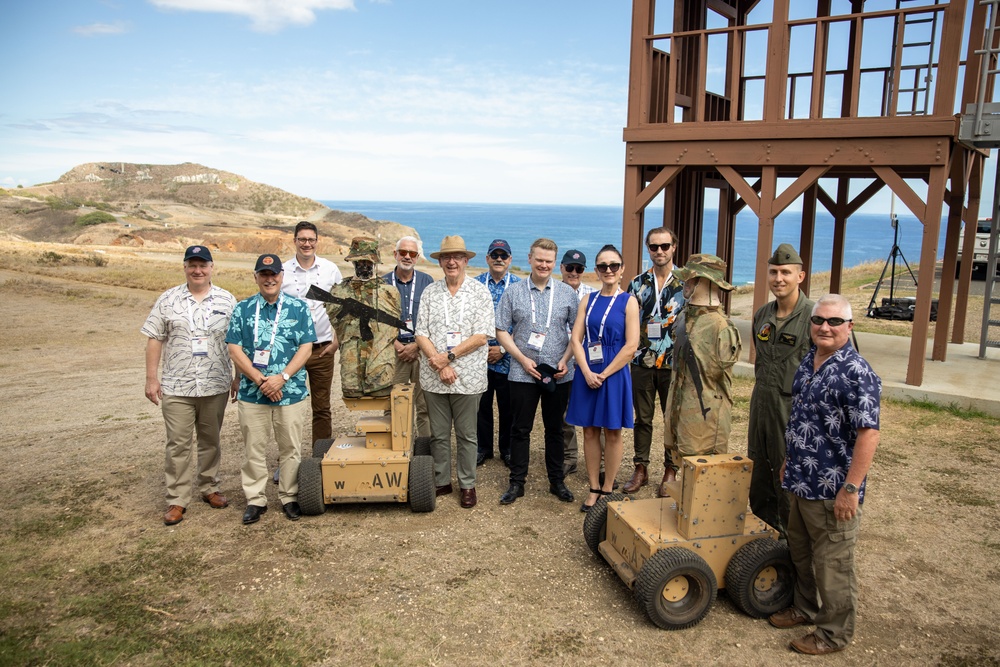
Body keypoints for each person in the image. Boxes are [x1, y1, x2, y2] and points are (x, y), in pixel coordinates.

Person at [768, 294, 881, 656]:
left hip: (833, 488)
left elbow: (868, 433)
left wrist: (851, 488)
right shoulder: (810, 361)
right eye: (818, 320)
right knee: (800, 551)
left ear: (849, 326)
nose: (825, 327)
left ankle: (833, 633)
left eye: (834, 321)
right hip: (801, 480)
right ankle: (805, 608)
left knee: (833, 565)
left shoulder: (856, 372)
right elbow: (802, 417)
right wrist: (790, 459)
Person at [142, 245, 237, 526]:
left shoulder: (227, 300)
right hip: (177, 386)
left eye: (203, 265)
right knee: (178, 445)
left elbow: (238, 343)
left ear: (212, 268)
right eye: (192, 265)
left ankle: (209, 487)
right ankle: (177, 499)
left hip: (215, 384)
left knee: (211, 441)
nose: (198, 270)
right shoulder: (168, 300)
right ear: (184, 267)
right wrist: (151, 378)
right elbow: (154, 338)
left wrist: (238, 378)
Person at [226, 254, 316, 524]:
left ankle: (289, 496)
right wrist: (261, 380)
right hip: (254, 394)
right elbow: (234, 348)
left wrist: (283, 377)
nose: (269, 279)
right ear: (255, 277)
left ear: (282, 276)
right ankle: (255, 499)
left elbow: (306, 347)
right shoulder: (243, 309)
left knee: (290, 447)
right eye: (263, 274)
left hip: (290, 392)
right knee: (254, 448)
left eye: (273, 273)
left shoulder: (299, 308)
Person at [495, 238, 579, 505]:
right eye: (539, 259)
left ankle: (557, 481)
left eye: (549, 261)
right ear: (530, 258)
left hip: (557, 373)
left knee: (555, 429)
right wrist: (520, 358)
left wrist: (566, 359)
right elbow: (500, 329)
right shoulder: (514, 292)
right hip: (523, 372)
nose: (544, 265)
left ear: (555, 263)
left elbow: (578, 332)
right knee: (520, 429)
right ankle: (517, 483)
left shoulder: (567, 293)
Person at [415, 236, 494, 509]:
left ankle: (467, 484)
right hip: (433, 375)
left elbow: (482, 336)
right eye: (446, 257)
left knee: (467, 434)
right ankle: (441, 480)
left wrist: (448, 357)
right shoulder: (430, 293)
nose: (451, 262)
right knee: (438, 434)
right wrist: (439, 363)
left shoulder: (480, 292)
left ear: (466, 260)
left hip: (468, 377)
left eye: (457, 257)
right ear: (439, 261)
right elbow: (420, 332)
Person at [566, 245, 639, 512]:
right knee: (589, 431)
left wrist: (604, 374)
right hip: (588, 370)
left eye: (613, 265)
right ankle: (593, 486)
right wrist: (586, 371)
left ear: (621, 270)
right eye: (602, 266)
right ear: (596, 270)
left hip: (614, 373)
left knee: (613, 431)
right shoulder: (588, 300)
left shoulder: (629, 301)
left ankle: (608, 487)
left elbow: (631, 345)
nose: (608, 270)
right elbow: (576, 338)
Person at [660, 254, 741, 494]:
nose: (685, 284)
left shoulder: (721, 327)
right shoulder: (686, 316)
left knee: (705, 481)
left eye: (691, 279)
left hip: (706, 417)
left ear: (706, 282)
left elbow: (718, 380)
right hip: (681, 409)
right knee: (685, 470)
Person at [748, 243, 814, 537]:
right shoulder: (762, 315)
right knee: (760, 480)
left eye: (786, 272)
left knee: (789, 485)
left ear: (800, 276)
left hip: (793, 415)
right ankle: (768, 542)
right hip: (761, 409)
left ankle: (794, 550)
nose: (779, 278)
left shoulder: (816, 318)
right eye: (773, 272)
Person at [624, 227, 685, 494]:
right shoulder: (637, 283)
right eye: (653, 247)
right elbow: (629, 321)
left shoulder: (687, 283)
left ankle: (671, 469)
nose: (659, 251)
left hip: (674, 364)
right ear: (648, 249)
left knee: (671, 419)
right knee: (643, 419)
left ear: (674, 247)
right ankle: (641, 467)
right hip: (642, 361)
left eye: (664, 246)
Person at [282, 221, 343, 442]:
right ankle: (289, 460)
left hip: (322, 350)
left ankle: (321, 455)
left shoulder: (330, 269)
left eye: (311, 240)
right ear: (295, 241)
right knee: (288, 407)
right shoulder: (283, 271)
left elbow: (341, 307)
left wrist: (336, 342)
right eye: (302, 239)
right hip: (291, 350)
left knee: (321, 407)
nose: (306, 244)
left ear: (317, 242)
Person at [324, 237, 401, 398]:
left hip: (380, 371)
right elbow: (339, 327)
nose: (364, 266)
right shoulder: (339, 292)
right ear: (353, 263)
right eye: (359, 262)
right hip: (351, 372)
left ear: (375, 263)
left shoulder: (389, 293)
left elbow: (391, 331)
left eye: (368, 262)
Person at [475, 239, 521, 467]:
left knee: (508, 407)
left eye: (504, 256)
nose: (499, 259)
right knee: (481, 406)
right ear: (487, 258)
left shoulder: (519, 286)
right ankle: (483, 448)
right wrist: (484, 348)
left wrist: (502, 348)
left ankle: (507, 449)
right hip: (479, 358)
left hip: (508, 358)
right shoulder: (474, 285)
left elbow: (523, 324)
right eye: (495, 255)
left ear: (510, 260)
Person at [383, 236, 434, 437]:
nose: (407, 256)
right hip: (393, 352)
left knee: (425, 406)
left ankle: (424, 451)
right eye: (402, 252)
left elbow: (432, 318)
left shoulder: (427, 281)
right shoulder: (383, 282)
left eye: (412, 253)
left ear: (417, 257)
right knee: (393, 405)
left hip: (421, 351)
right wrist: (396, 345)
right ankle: (396, 449)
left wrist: (417, 345)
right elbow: (377, 320)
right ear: (395, 254)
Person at [559, 248, 595, 476]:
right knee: (564, 416)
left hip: (586, 364)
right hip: (562, 363)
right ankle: (569, 457)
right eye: (569, 268)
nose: (574, 272)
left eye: (579, 269)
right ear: (561, 268)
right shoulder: (554, 292)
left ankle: (598, 462)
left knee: (593, 415)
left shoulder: (593, 295)